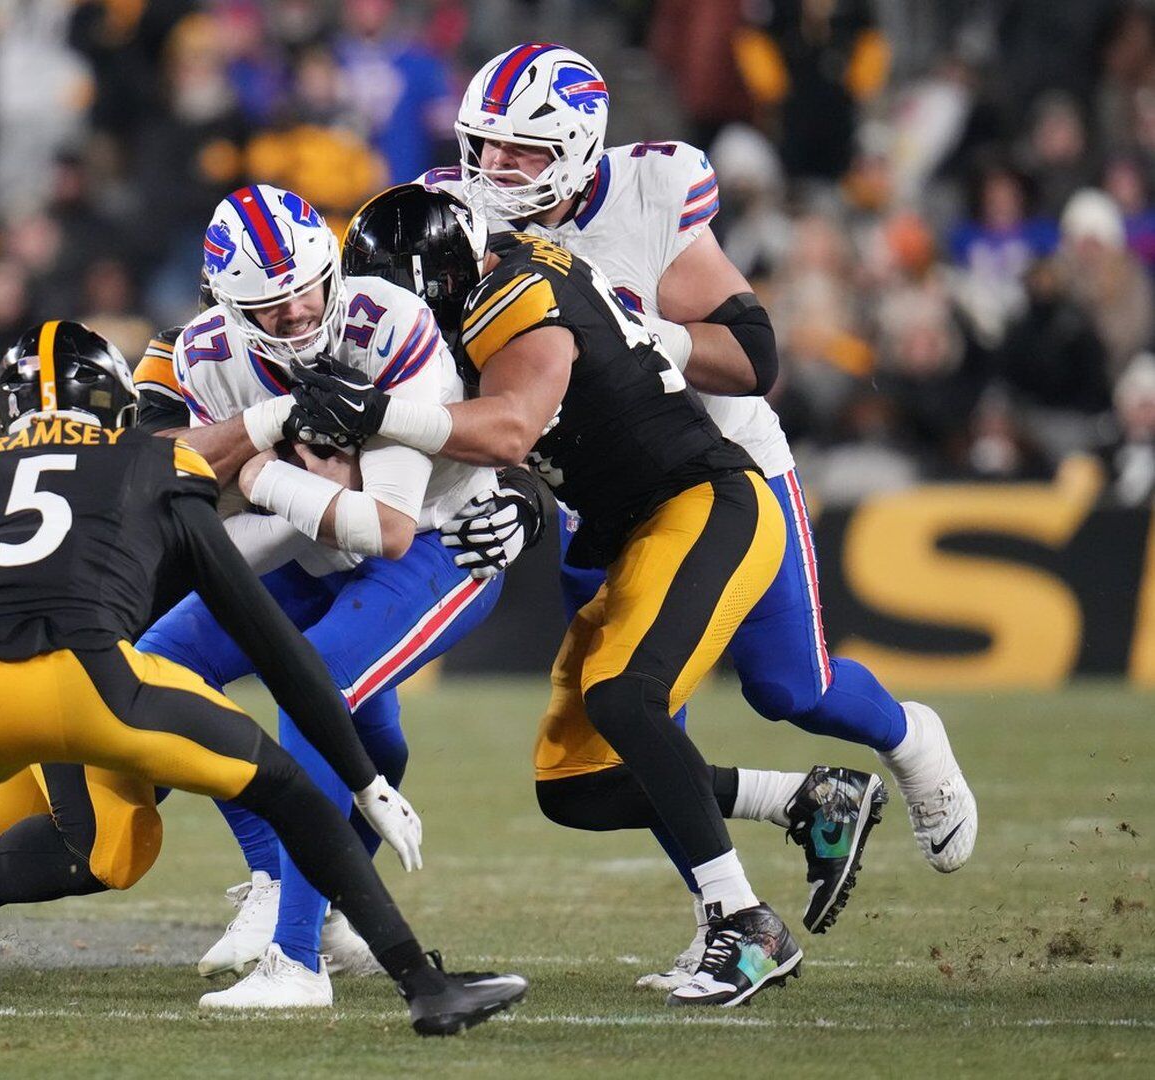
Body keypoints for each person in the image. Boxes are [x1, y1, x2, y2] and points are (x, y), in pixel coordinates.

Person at [0, 320, 527, 1035]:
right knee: (198, 816)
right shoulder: (153, 465)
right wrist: (362, 780)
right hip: (93, 682)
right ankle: (421, 986)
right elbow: (269, 640)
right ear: (114, 407)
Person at [413, 43, 975, 988]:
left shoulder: (646, 194)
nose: (495, 172)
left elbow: (754, 355)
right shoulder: (455, 219)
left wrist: (647, 331)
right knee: (636, 715)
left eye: (521, 152)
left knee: (789, 688)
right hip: (597, 484)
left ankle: (907, 737)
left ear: (581, 147)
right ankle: (729, 914)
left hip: (716, 469)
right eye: (484, 148)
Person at [289, 188, 869, 1007]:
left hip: (702, 501)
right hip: (632, 526)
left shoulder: (514, 292)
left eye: (403, 298)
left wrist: (379, 411)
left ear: (443, 281)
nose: (391, 319)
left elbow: (516, 425)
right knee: (577, 784)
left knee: (626, 697)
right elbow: (515, 444)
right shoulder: (477, 296)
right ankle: (805, 799)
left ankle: (745, 923)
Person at [146, 183, 506, 1009]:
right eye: (272, 306)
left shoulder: (391, 322)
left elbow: (383, 528)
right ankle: (279, 878)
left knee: (319, 684)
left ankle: (298, 960)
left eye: (310, 287)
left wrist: (261, 465)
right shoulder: (204, 352)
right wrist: (268, 442)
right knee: (156, 672)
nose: (301, 314)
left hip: (442, 541)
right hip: (311, 545)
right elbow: (193, 487)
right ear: (230, 307)